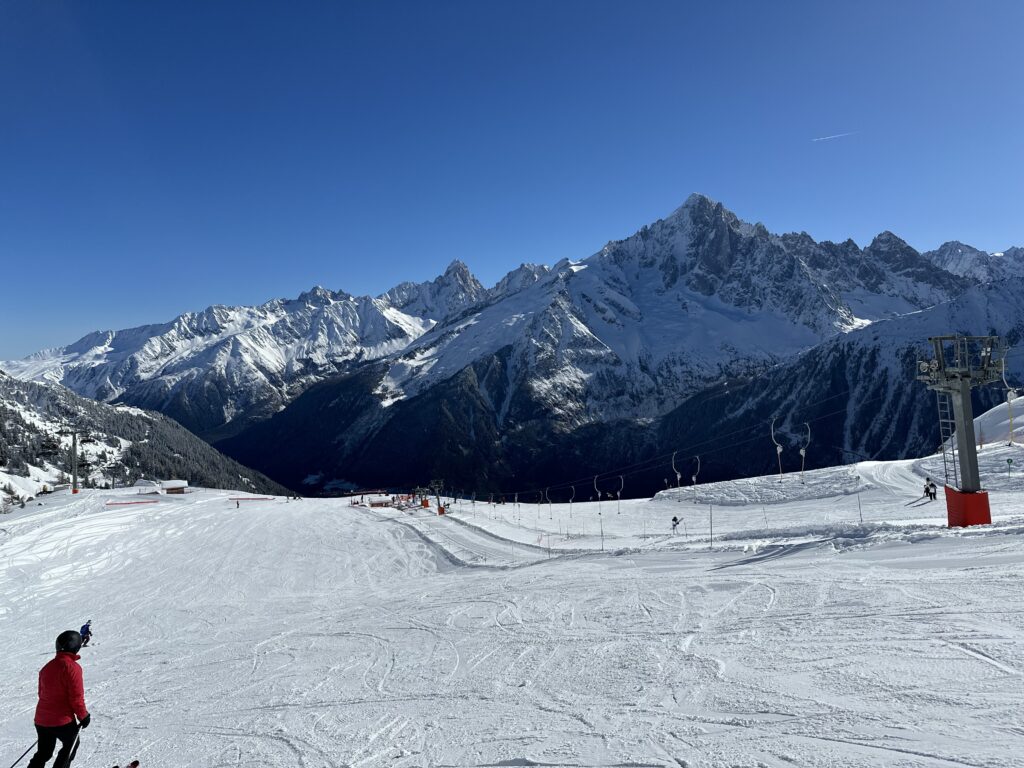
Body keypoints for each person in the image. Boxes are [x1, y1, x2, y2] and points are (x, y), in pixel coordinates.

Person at [28, 630, 90, 768]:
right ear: (76, 647)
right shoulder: (72, 668)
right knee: (71, 744)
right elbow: (76, 697)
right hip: (62, 721)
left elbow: (41, 693)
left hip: (41, 719)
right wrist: (83, 716)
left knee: (44, 752)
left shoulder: (46, 667)